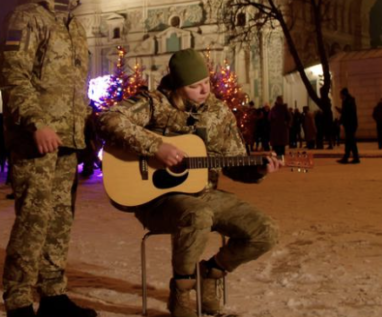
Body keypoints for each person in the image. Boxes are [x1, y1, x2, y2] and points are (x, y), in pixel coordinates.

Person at [98, 49, 282, 317]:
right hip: (158, 200)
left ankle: (209, 274)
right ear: (178, 85)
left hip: (205, 193)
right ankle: (181, 290)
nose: (204, 89)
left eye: (206, 82)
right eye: (195, 86)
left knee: (266, 231)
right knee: (198, 215)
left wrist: (258, 169)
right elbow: (107, 119)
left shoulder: (218, 112)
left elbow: (234, 162)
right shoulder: (154, 103)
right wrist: (156, 147)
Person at [0, 0, 96, 317]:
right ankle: (19, 301)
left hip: (69, 141)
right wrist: (36, 123)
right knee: (33, 221)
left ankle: (53, 296)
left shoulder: (74, 25)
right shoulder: (27, 17)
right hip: (35, 140)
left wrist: (86, 127)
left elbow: (76, 87)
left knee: (60, 220)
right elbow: (14, 76)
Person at [336, 88, 360, 164]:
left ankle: (348, 157)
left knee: (350, 141)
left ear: (344, 94)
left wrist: (341, 112)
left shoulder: (348, 101)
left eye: (341, 94)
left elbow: (347, 113)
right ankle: (353, 157)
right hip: (350, 124)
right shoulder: (347, 101)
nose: (340, 96)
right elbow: (345, 113)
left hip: (351, 124)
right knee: (350, 141)